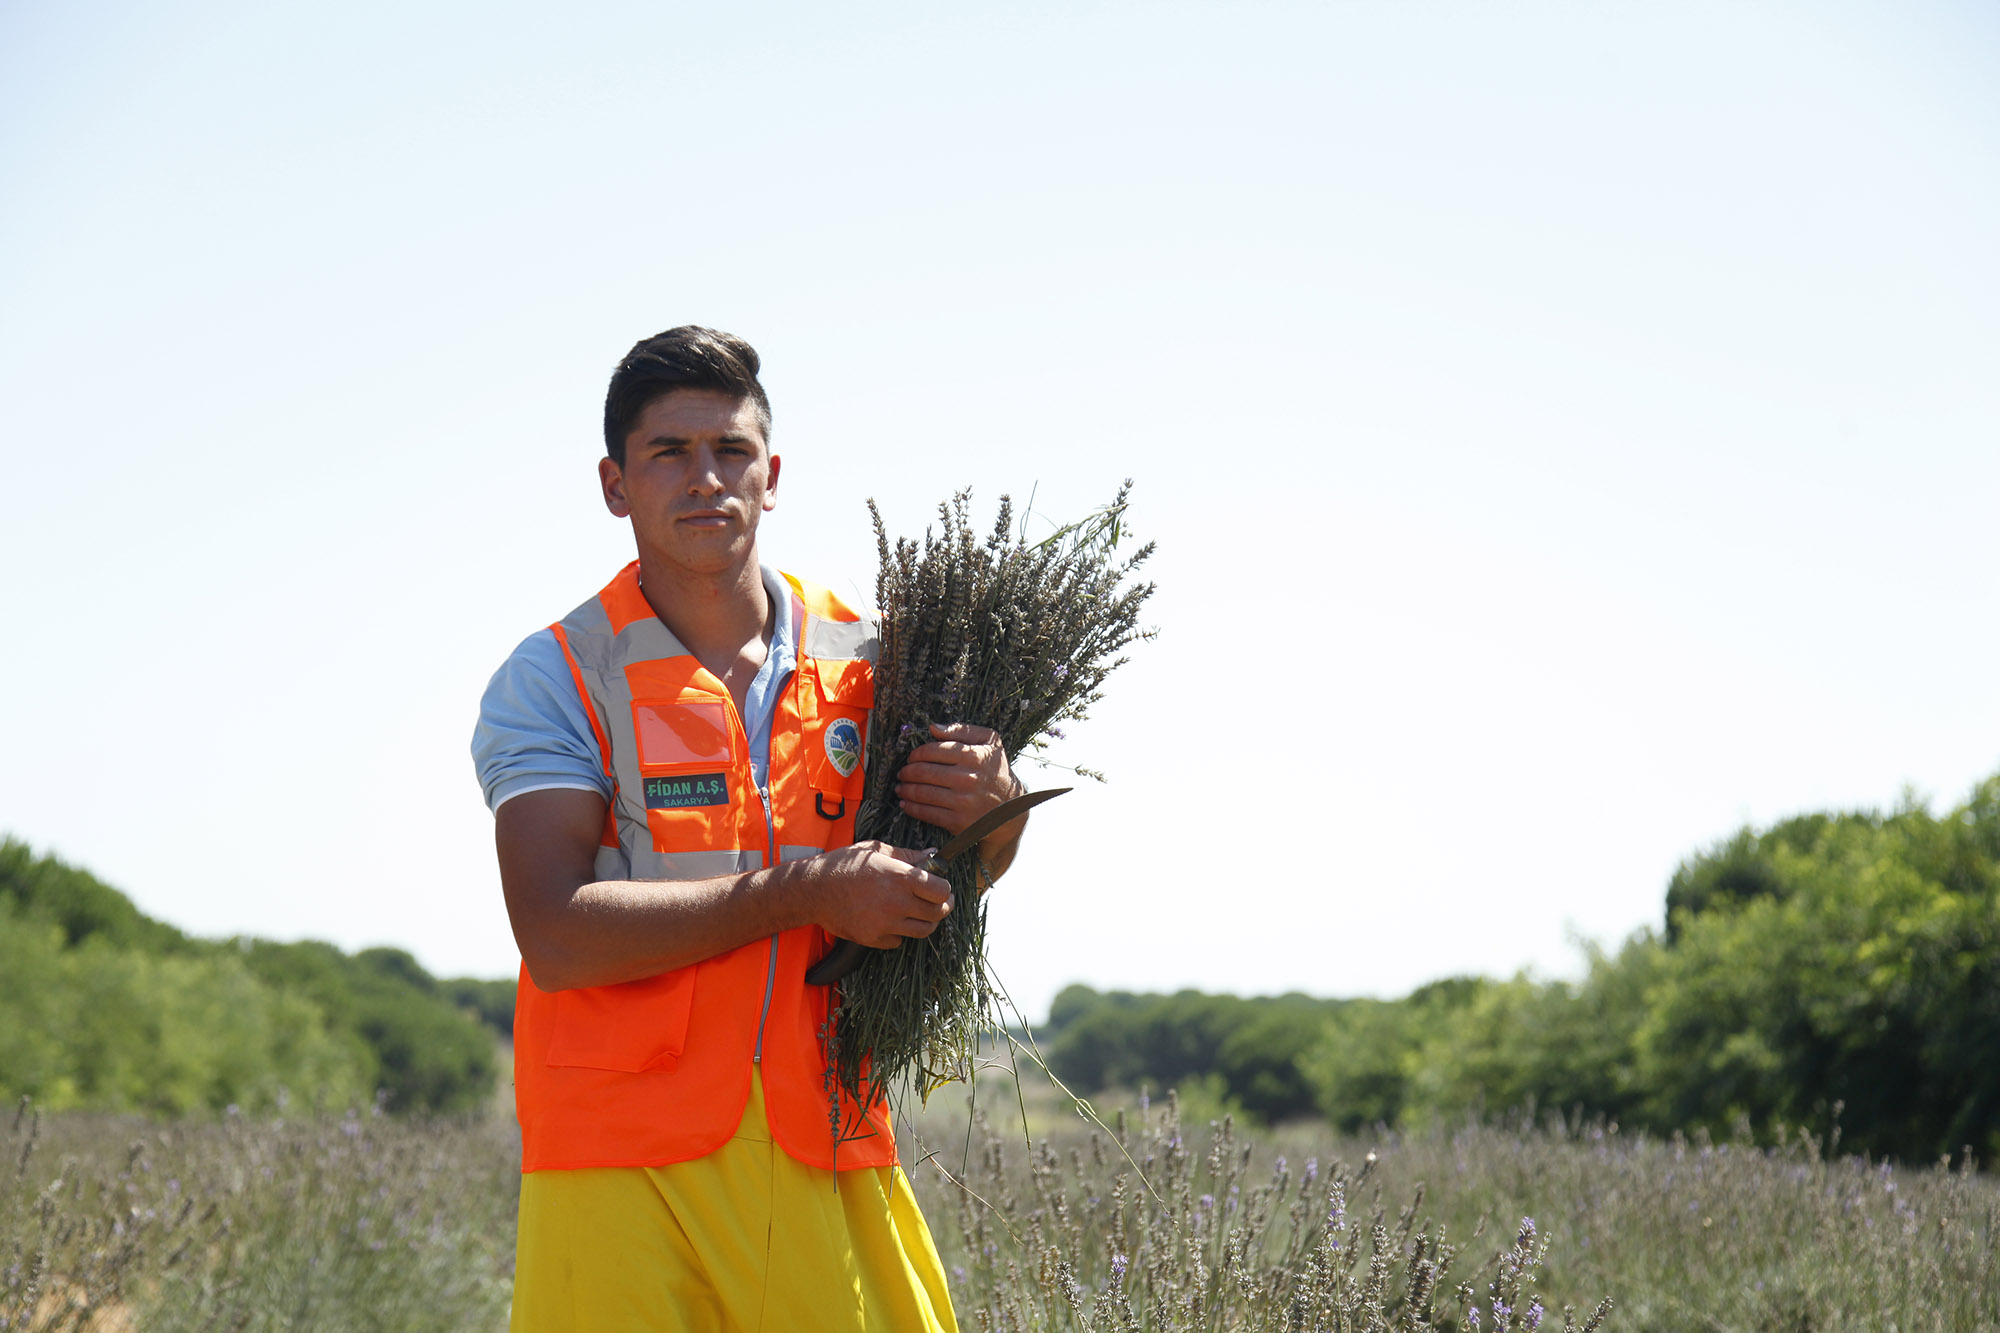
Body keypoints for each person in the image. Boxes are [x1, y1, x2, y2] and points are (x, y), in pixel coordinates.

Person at [471, 326, 1026, 1332]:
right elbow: (555, 935)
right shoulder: (555, 674)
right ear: (614, 484)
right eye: (668, 453)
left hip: (823, 1127)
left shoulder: (873, 659)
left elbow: (961, 874)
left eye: (730, 451)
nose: (705, 478)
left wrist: (990, 814)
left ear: (770, 476)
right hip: (615, 1156)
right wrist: (805, 892)